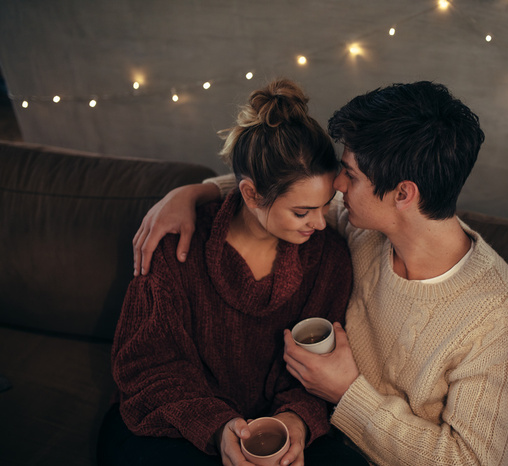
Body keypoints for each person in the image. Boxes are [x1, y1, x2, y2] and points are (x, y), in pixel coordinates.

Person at [133, 81, 508, 466]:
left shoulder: (503, 319)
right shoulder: (364, 229)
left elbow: (471, 461)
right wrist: (189, 194)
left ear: (403, 194)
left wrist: (348, 394)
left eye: (351, 173)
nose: (338, 184)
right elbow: (277, 194)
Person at [98, 79, 369, 466]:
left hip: (277, 430)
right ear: (250, 194)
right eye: (301, 211)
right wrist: (218, 426)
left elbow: (322, 368)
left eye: (326, 206)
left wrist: (296, 421)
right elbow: (146, 364)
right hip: (179, 425)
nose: (321, 224)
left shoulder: (329, 259)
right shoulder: (179, 247)